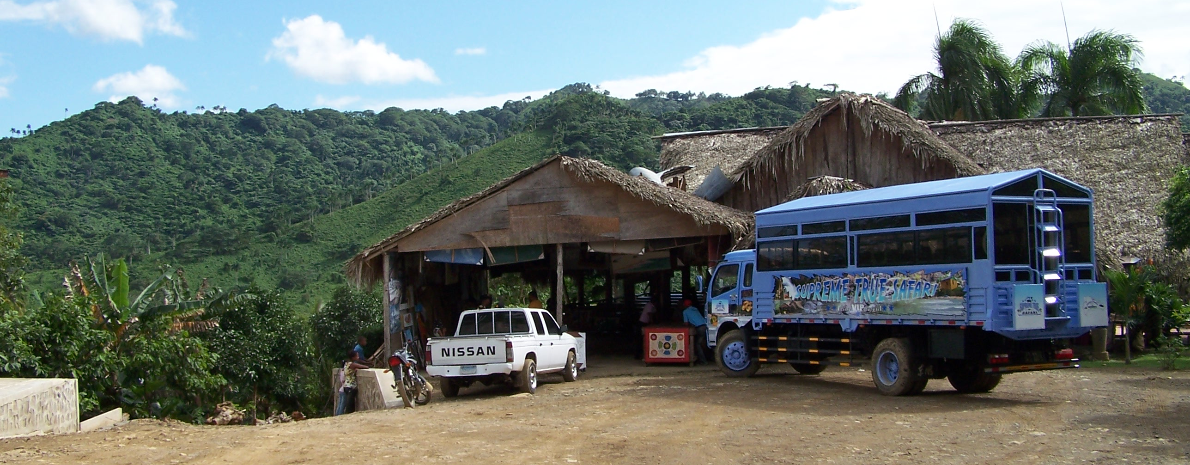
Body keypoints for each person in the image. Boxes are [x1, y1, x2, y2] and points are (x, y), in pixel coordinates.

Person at [335, 350, 370, 416]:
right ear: (353, 357)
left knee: (346, 403)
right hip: (350, 386)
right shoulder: (352, 364)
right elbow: (365, 367)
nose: (358, 357)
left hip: (346, 386)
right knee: (350, 404)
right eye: (357, 356)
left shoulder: (346, 364)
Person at [681, 298, 709, 365]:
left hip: (699, 328)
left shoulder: (685, 311)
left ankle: (703, 361)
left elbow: (686, 323)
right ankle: (709, 358)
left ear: (685, 305)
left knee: (697, 344)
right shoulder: (695, 309)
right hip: (705, 326)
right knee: (704, 343)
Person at [633, 295, 657, 359]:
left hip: (645, 323)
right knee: (640, 339)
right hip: (642, 323)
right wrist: (652, 321)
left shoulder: (653, 306)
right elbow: (649, 314)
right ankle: (637, 355)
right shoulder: (649, 305)